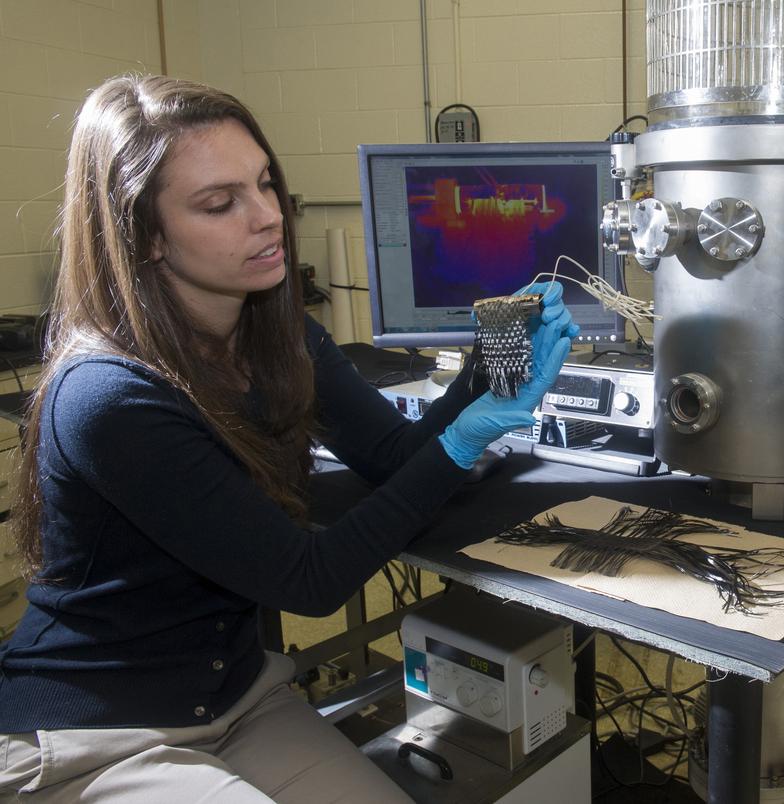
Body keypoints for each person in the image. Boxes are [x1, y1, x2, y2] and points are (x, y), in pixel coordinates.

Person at [0, 74, 577, 802]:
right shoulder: (110, 397)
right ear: (143, 234)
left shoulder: (278, 336)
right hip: (98, 730)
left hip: (239, 699)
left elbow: (393, 457)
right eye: (220, 203)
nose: (268, 217)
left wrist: (482, 372)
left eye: (266, 185)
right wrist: (464, 441)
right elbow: (310, 580)